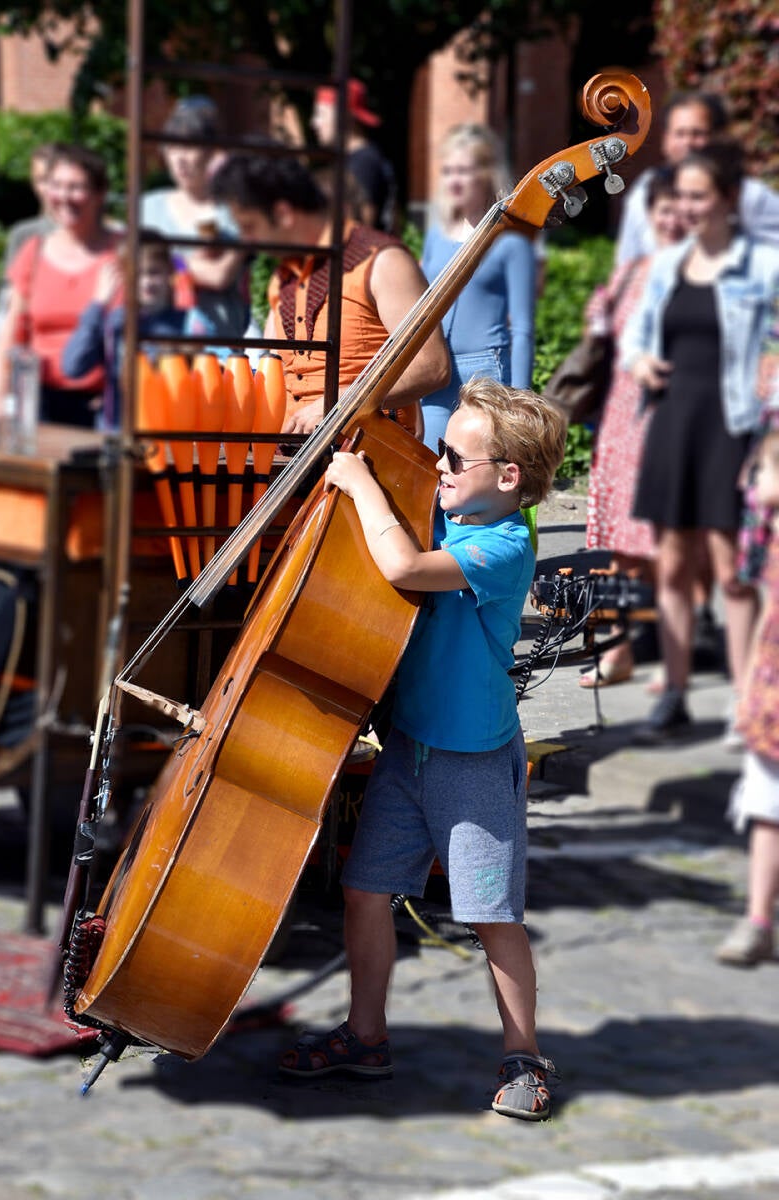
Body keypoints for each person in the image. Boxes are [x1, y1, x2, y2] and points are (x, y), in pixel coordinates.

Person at [278, 380, 567, 1121]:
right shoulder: (456, 511)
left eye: (455, 457)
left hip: (470, 756)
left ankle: (524, 1057)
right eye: (440, 452)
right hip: (409, 745)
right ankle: (365, 1036)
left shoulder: (504, 543)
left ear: (508, 477)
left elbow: (403, 567)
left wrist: (359, 481)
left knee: (488, 913)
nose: (439, 467)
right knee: (365, 890)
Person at [622, 141, 779, 743]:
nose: (686, 206)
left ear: (729, 199)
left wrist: (768, 444)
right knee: (672, 567)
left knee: (732, 569)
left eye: (699, 195)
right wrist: (637, 364)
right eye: (681, 195)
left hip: (732, 424)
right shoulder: (666, 264)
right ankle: (676, 694)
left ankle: (746, 703)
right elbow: (636, 337)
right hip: (672, 420)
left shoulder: (763, 266)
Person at [210, 149, 449, 438]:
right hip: (291, 464)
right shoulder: (282, 278)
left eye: (250, 227)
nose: (246, 241)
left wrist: (341, 402)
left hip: (368, 459)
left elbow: (433, 367)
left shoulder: (383, 262)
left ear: (284, 214)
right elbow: (275, 375)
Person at [579, 169, 685, 689]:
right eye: (662, 209)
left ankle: (673, 657)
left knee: (668, 544)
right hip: (622, 419)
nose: (671, 219)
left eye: (681, 210)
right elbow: (601, 337)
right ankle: (620, 650)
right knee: (622, 545)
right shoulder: (631, 272)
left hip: (672, 418)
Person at [419, 124, 536, 453]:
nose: (454, 180)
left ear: (486, 174)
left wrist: (521, 402)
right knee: (431, 473)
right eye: (448, 171)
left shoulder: (511, 241)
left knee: (478, 476)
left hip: (485, 370)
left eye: (465, 171)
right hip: (435, 370)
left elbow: (524, 328)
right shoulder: (436, 235)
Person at [0, 144, 121, 427]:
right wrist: (0, 400)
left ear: (100, 194)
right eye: (56, 186)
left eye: (76, 187)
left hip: (105, 407)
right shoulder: (34, 251)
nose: (63, 197)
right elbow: (12, 331)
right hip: (39, 403)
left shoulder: (122, 254)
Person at [717, 413, 779, 966]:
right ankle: (759, 919)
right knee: (766, 809)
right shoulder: (768, 536)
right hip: (774, 697)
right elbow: (763, 614)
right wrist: (749, 695)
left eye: (758, 472)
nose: (749, 483)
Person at [61, 232, 217, 430]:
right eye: (137, 274)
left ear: (170, 272)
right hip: (118, 433)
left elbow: (207, 382)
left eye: (154, 272)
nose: (146, 282)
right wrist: (98, 304)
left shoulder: (189, 322)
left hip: (170, 434)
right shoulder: (116, 322)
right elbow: (72, 366)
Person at [615, 91, 779, 268]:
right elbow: (627, 262)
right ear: (666, 139)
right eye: (680, 133)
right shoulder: (645, 190)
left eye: (698, 133)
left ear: (718, 137)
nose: (688, 143)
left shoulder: (748, 195)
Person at [140, 97, 247, 340]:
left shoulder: (234, 210)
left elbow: (219, 276)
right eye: (173, 148)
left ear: (210, 153)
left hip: (220, 349)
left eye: (189, 148)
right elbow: (129, 269)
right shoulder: (146, 208)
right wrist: (183, 264)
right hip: (158, 344)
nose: (180, 159)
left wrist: (167, 262)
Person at [311, 78, 397, 234]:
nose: (314, 123)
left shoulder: (364, 163)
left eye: (321, 114)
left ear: (344, 116)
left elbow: (362, 229)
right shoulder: (358, 159)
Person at [3, 142, 58, 272]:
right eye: (42, 180)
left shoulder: (95, 233)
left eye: (55, 179)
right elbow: (8, 288)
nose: (49, 188)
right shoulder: (24, 234)